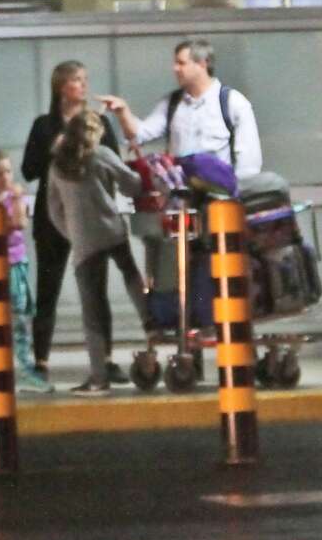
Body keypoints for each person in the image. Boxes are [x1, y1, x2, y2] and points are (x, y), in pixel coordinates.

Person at [21, 60, 125, 379]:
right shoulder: (44, 126)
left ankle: (105, 358)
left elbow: (115, 164)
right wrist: (51, 150)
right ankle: (41, 360)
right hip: (53, 215)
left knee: (96, 289)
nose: (84, 85)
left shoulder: (97, 123)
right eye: (77, 80)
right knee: (48, 288)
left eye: (84, 78)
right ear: (61, 87)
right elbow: (28, 170)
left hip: (90, 215)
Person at [46, 111, 148, 395]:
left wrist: (73, 233)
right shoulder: (101, 154)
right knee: (130, 273)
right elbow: (132, 185)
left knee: (92, 310)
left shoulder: (56, 165)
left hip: (84, 241)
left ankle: (98, 378)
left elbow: (54, 210)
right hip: (112, 230)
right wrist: (137, 169)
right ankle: (149, 322)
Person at [115, 37, 264, 180]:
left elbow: (249, 163)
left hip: (219, 191)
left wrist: (236, 191)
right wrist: (123, 112)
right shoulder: (172, 103)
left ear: (202, 64)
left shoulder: (232, 103)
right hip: (181, 191)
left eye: (181, 63)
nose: (175, 69)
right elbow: (139, 134)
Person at [0, 150, 51, 393]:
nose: (5, 178)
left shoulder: (13, 198)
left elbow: (19, 223)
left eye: (8, 172)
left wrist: (17, 199)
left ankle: (23, 366)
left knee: (19, 316)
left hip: (15, 263)